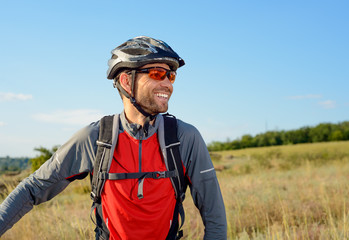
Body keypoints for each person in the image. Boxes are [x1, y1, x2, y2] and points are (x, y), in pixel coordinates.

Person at [0, 36, 227, 239]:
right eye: (157, 74)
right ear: (127, 81)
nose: (167, 84)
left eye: (171, 75)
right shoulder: (96, 138)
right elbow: (33, 188)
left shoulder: (184, 138)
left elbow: (215, 220)